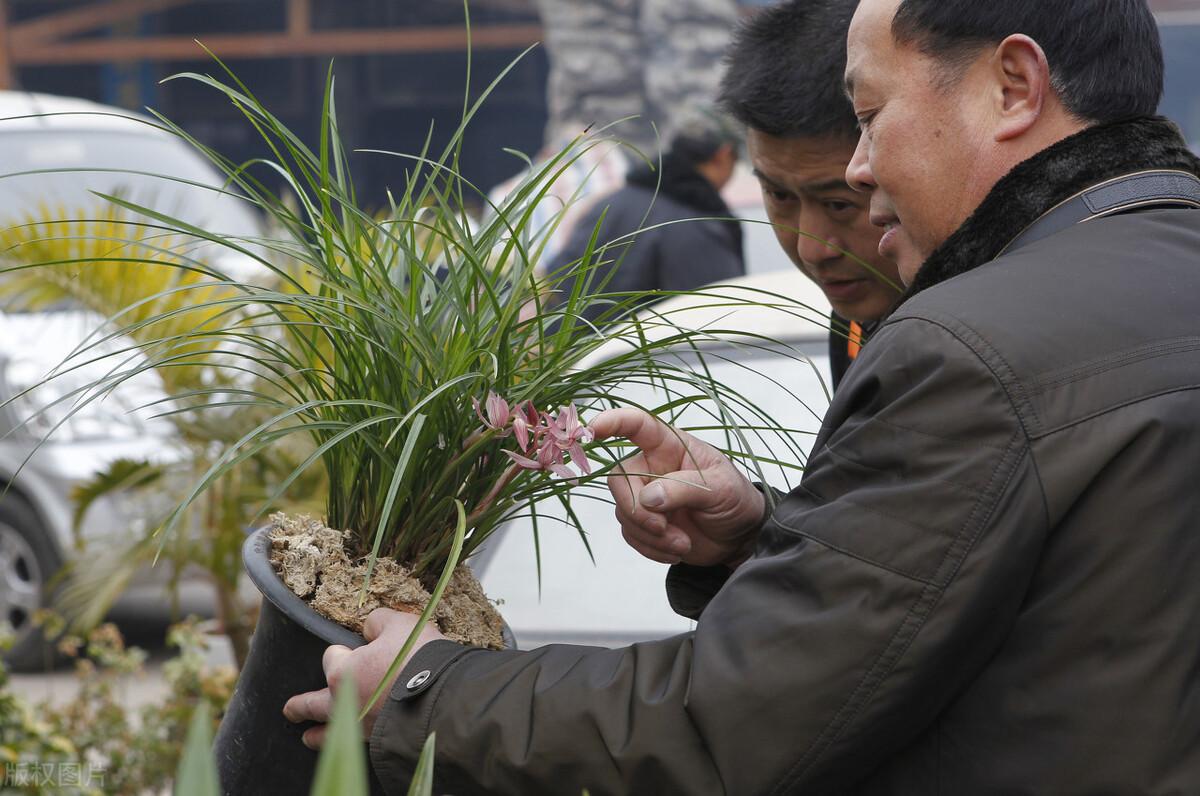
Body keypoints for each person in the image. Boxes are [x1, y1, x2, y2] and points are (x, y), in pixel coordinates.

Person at [286, 0, 1200, 792]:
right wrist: (765, 541)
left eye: (871, 116)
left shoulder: (971, 344)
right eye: (780, 192)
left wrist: (426, 687)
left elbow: (730, 726)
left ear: (1013, 84)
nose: (858, 170)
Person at [718, 0, 903, 388]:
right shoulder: (855, 324)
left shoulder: (973, 340)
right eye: (779, 197)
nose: (812, 249)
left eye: (839, 204)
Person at [548, 107, 746, 326]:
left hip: (585, 358)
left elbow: (557, 288)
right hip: (659, 359)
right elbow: (721, 323)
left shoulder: (609, 205)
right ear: (724, 155)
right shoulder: (698, 227)